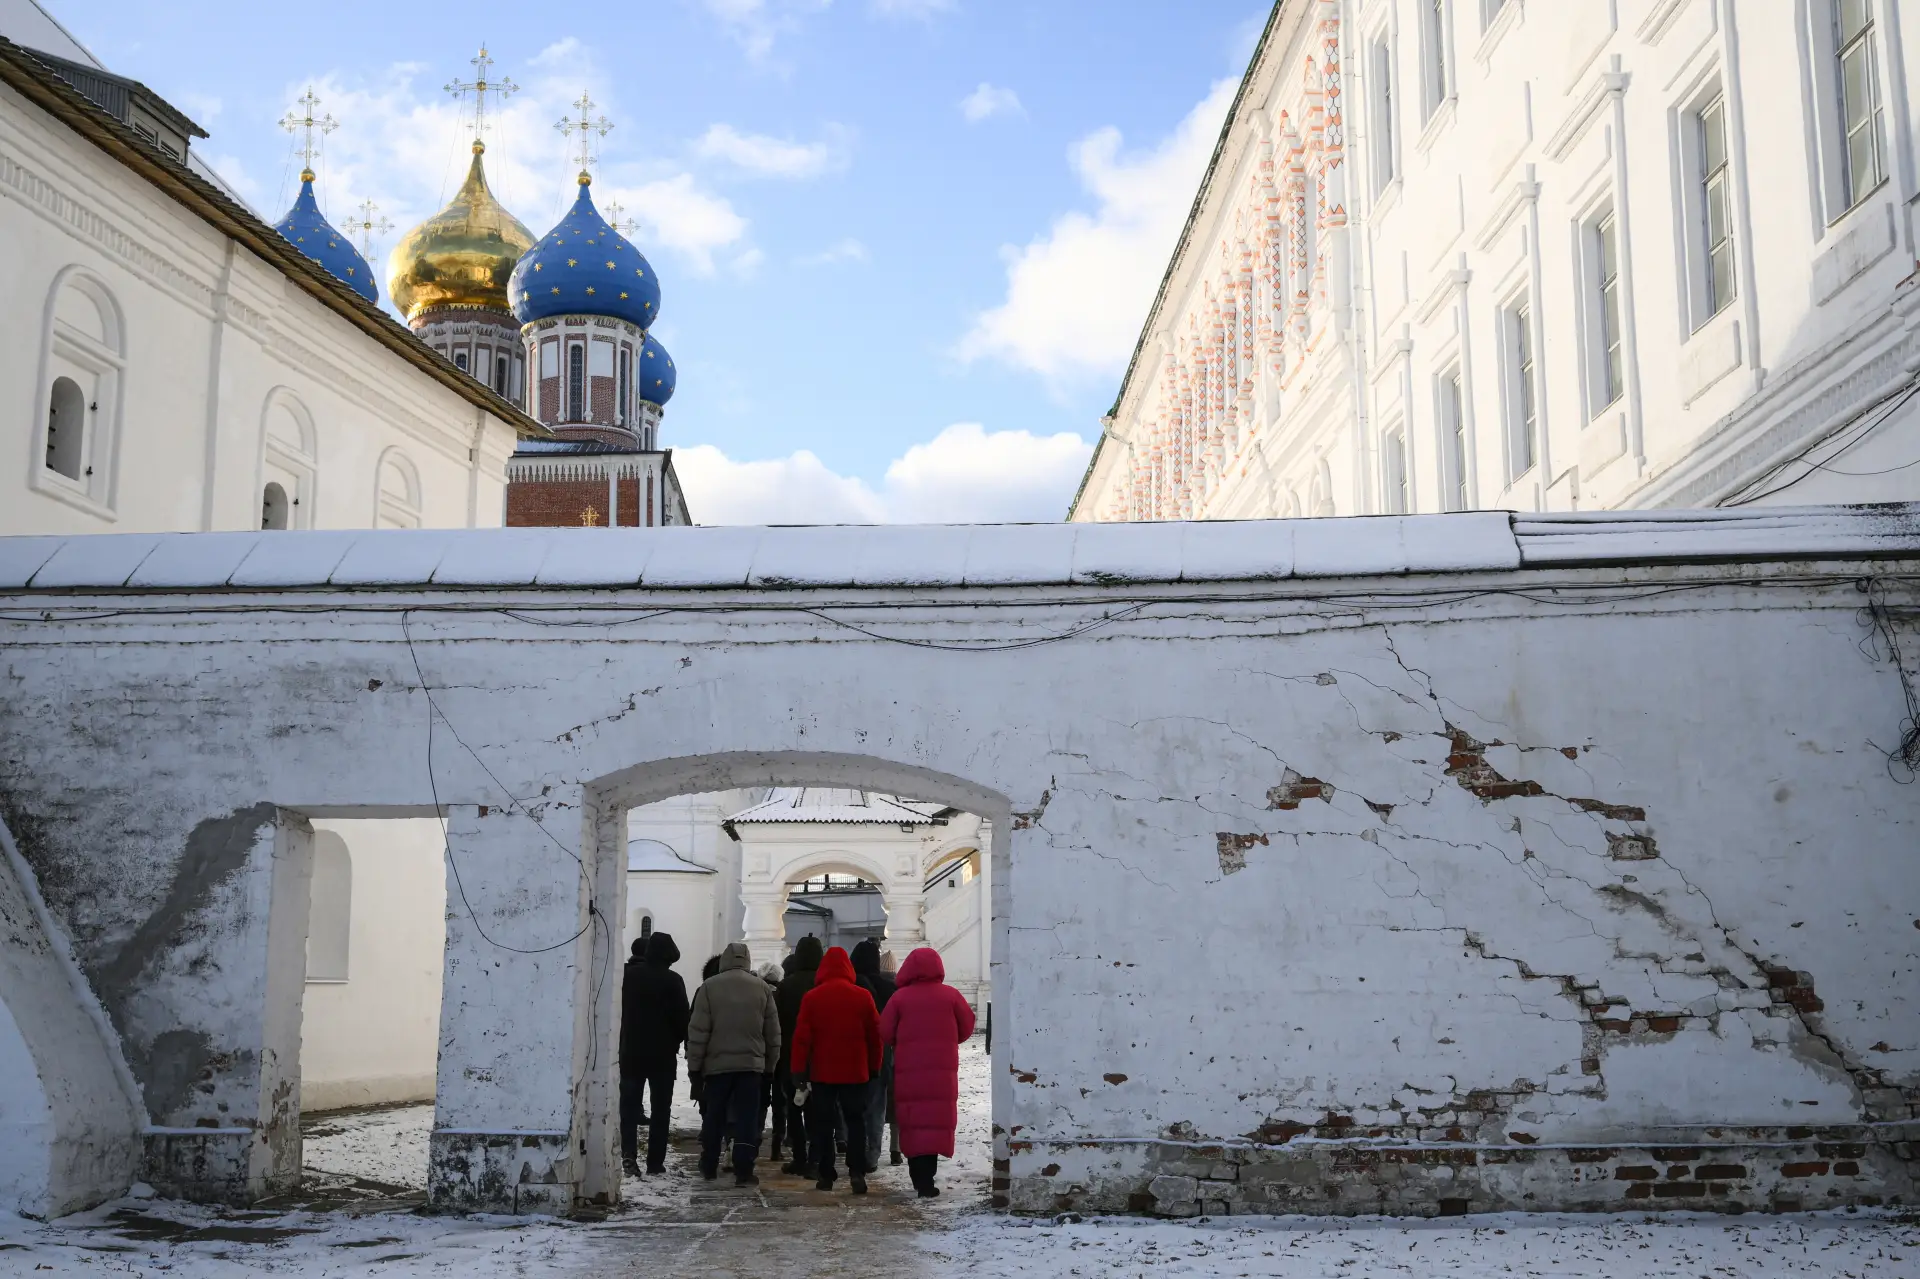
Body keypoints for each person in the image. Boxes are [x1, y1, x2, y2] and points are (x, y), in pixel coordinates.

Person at [879, 946, 975, 1198]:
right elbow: (966, 1027)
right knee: (934, 1123)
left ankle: (918, 1178)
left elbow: (885, 1032)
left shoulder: (899, 998)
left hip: (909, 1072)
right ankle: (927, 1179)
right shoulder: (951, 996)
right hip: (942, 1075)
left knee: (913, 1123)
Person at [685, 941, 781, 1186]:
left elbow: (698, 1032)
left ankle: (708, 1163)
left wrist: (695, 1068)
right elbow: (772, 1034)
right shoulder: (762, 988)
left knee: (714, 1116)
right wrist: (770, 1066)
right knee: (747, 1119)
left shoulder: (709, 987)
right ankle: (744, 1169)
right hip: (751, 1066)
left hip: (717, 1068)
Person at [790, 945, 881, 1194]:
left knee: (824, 1123)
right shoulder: (863, 997)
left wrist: (798, 1071)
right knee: (856, 1122)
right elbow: (875, 1037)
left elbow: (801, 1039)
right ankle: (856, 1171)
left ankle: (826, 1174)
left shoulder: (812, 997)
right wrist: (874, 1067)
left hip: (823, 1073)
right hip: (856, 1071)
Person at [619, 932, 689, 1177]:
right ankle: (655, 1162)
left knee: (628, 1107)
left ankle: (628, 1154)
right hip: (662, 1055)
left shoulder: (629, 976)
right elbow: (683, 1020)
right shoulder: (673, 980)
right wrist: (675, 1041)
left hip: (631, 1051)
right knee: (661, 1110)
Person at [774, 935, 823, 1176]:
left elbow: (777, 1022)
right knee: (818, 1110)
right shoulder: (823, 984)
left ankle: (799, 1157)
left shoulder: (787, 985)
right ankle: (815, 1158)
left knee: (794, 1108)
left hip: (790, 1054)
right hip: (820, 1056)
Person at [850, 939, 898, 1171]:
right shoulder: (890, 989)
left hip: (852, 1052)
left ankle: (854, 1149)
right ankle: (872, 1154)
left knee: (850, 1106)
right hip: (882, 1053)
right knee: (877, 1106)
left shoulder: (850, 985)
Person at [756, 962, 787, 1160]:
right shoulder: (783, 995)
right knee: (779, 1103)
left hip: (759, 1055)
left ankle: (754, 1139)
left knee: (758, 1102)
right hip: (782, 1057)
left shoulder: (755, 994)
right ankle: (777, 1144)